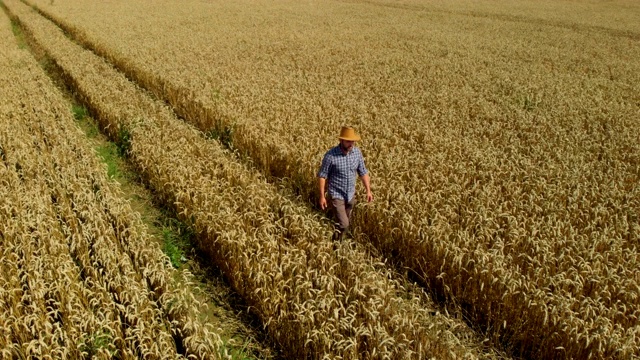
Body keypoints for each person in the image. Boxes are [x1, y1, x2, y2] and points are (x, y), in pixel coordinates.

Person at [317, 126, 373, 239]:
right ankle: (336, 244)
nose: (351, 144)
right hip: (336, 195)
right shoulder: (331, 155)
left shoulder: (357, 153)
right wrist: (322, 196)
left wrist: (368, 191)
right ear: (341, 140)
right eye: (348, 141)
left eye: (352, 141)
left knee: (343, 224)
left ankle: (337, 242)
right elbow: (322, 176)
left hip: (350, 195)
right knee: (344, 224)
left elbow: (363, 172)